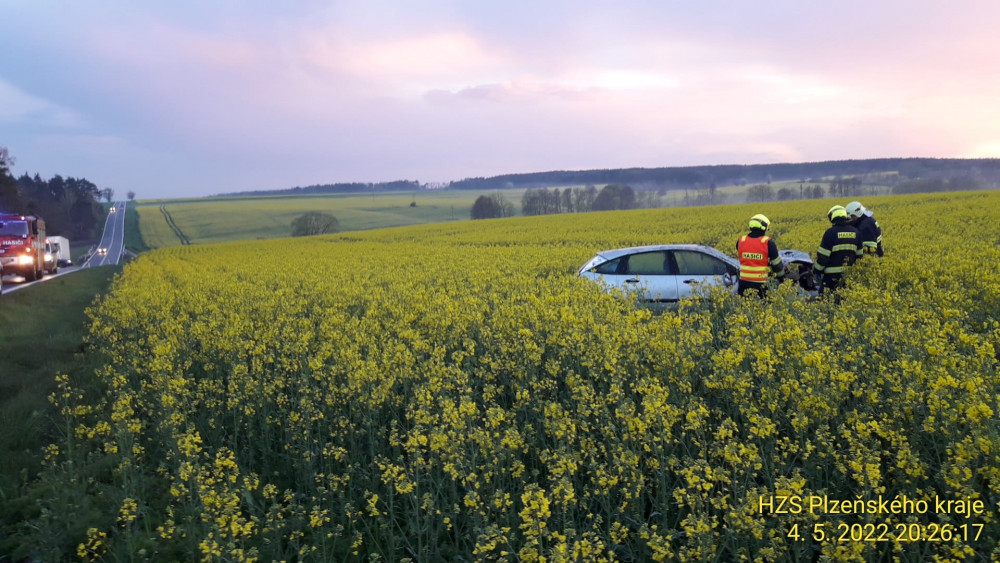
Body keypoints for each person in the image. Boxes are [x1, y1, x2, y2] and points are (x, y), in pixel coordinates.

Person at [813, 205, 861, 297]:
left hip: (831, 277)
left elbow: (823, 257)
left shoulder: (830, 233)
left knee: (826, 300)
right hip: (849, 276)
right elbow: (860, 256)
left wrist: (817, 271)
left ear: (832, 217)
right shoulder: (856, 232)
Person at [736, 213, 785, 298]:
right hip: (761, 284)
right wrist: (782, 278)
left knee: (744, 307)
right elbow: (776, 264)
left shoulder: (741, 241)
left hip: (743, 282)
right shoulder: (768, 242)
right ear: (764, 228)